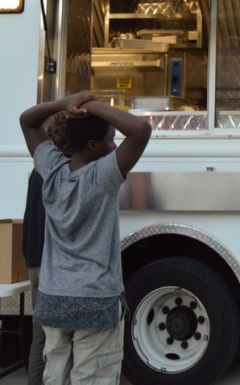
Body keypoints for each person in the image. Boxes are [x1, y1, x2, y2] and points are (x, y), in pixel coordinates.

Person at [19, 92, 151, 384]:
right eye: (110, 139)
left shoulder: (51, 170)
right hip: (95, 298)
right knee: (92, 377)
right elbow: (141, 130)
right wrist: (90, 105)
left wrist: (66, 104)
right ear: (94, 147)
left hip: (54, 298)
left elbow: (27, 122)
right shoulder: (101, 177)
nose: (114, 145)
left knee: (56, 375)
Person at [21, 111, 69, 385]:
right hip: (52, 260)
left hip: (34, 258)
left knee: (41, 335)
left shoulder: (37, 168)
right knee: (57, 338)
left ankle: (33, 381)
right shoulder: (66, 167)